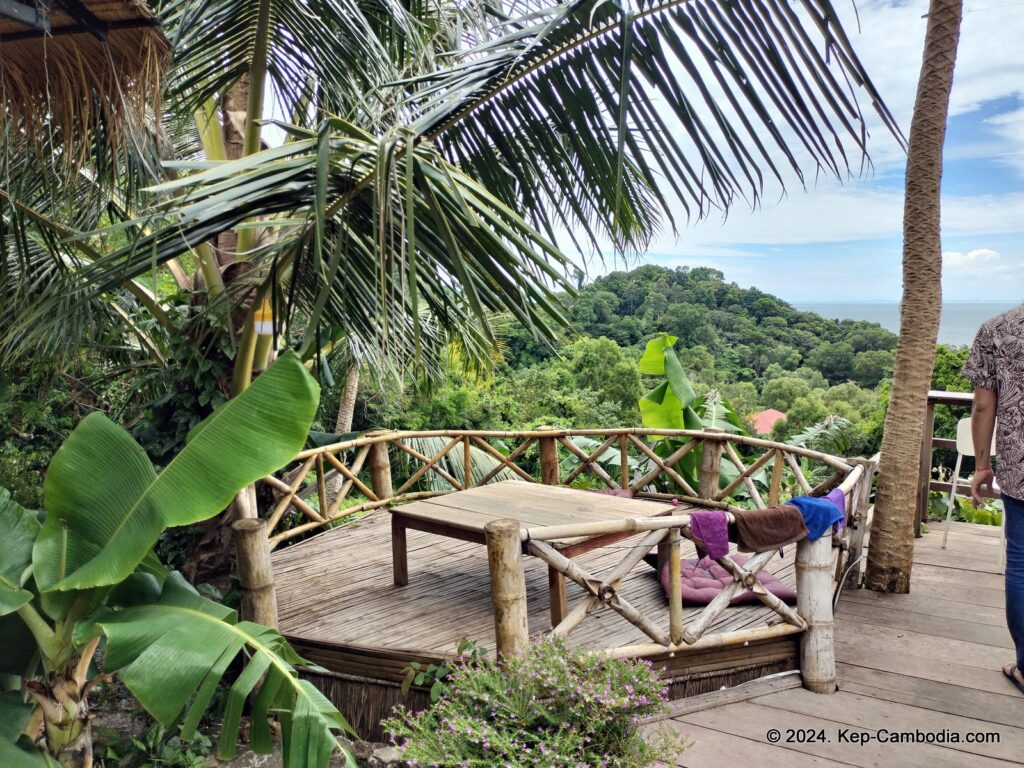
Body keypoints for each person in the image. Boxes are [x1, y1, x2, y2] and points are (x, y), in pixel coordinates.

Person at [963, 304, 1024, 696]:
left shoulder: (999, 328)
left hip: (1020, 467)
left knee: (1021, 560)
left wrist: (982, 465)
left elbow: (984, 405)